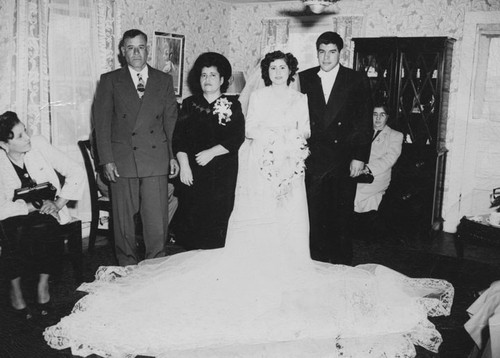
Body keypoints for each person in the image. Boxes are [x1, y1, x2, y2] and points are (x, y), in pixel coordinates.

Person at [44, 51, 453, 358]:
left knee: (289, 219)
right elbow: (251, 129)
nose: (276, 73)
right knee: (254, 219)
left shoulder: (298, 98)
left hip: (290, 163)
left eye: (281, 69)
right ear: (265, 72)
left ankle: (291, 263)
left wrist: (291, 148)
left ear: (290, 72)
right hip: (262, 163)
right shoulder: (249, 100)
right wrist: (270, 147)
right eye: (271, 69)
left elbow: (305, 130)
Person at [93, 29, 179, 266]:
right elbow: (101, 125)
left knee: (156, 221)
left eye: (141, 47)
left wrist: (173, 156)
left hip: (155, 158)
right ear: (123, 52)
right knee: (123, 224)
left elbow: (170, 123)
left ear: (147, 49)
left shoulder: (163, 80)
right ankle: (127, 268)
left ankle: (155, 267)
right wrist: (106, 160)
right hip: (122, 160)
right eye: (130, 48)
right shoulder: (110, 80)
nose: (136, 52)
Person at [0, 111, 85, 319]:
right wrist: (30, 206)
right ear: (4, 144)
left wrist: (58, 203)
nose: (27, 137)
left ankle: (42, 285)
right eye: (19, 136)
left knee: (47, 225)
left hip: (48, 212)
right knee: (11, 228)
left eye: (25, 132)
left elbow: (77, 171)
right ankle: (16, 290)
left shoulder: (38, 144)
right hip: (15, 216)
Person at [299, 31, 373, 265]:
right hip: (313, 159)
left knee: (341, 215)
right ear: (317, 52)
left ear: (341, 53)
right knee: (314, 213)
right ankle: (316, 263)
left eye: (332, 52)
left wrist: (359, 157)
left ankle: (341, 265)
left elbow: (363, 121)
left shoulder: (356, 79)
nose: (326, 57)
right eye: (322, 52)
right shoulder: (304, 78)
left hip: (343, 158)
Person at [172, 52, 244, 249]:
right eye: (204, 75)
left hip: (222, 174)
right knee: (191, 221)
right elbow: (179, 139)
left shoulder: (233, 105)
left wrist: (212, 152)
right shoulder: (189, 104)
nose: (207, 79)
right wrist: (184, 165)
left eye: (213, 75)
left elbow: (236, 137)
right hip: (193, 173)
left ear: (222, 79)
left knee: (217, 221)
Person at [353, 103, 403, 239]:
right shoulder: (363, 132)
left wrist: (368, 168)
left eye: (382, 115)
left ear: (387, 117)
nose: (378, 118)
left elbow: (390, 159)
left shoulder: (395, 135)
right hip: (359, 173)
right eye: (375, 114)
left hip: (378, 176)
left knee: (355, 193)